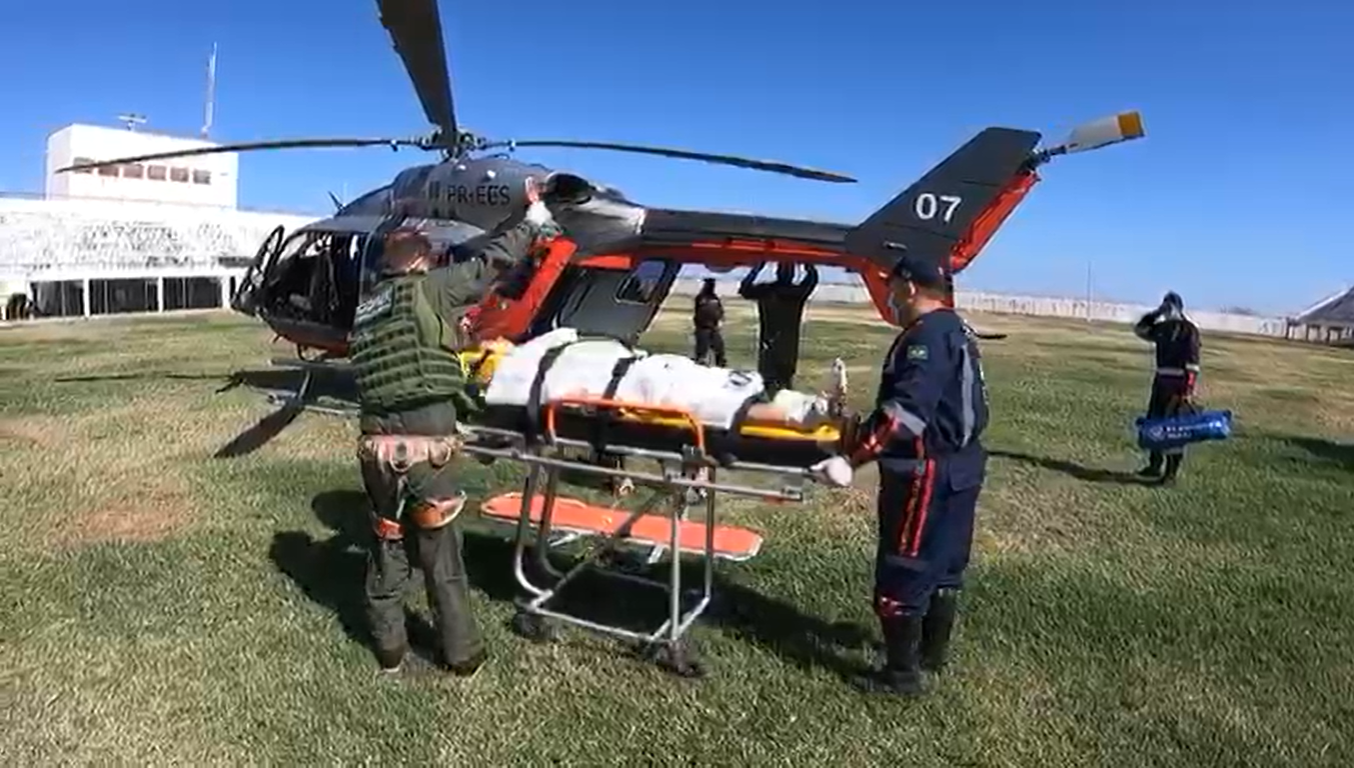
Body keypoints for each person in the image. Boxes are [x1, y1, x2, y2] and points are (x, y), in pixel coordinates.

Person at [349, 187, 554, 676]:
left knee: (388, 539)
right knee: (440, 552)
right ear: (422, 262)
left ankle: (389, 648)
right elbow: (491, 264)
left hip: (375, 445)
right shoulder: (429, 289)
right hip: (426, 444)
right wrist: (533, 218)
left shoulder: (367, 307)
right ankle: (462, 654)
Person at [809, 251, 989, 698]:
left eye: (891, 287)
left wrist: (851, 459)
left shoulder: (924, 337)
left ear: (909, 287)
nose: (888, 296)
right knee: (945, 564)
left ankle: (902, 677)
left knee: (903, 568)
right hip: (962, 464)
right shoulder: (956, 328)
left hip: (925, 472)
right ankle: (931, 654)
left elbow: (905, 416)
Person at [1132, 291, 1201, 485]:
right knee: (1155, 422)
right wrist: (1156, 313)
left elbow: (1193, 363)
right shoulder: (1162, 328)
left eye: (1169, 305)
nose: (1167, 309)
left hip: (1178, 385)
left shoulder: (1189, 330)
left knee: (1174, 428)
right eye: (1165, 305)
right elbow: (1140, 329)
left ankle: (1170, 474)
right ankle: (1154, 465)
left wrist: (1188, 390)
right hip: (1160, 381)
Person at [739, 262, 818, 392]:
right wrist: (807, 263)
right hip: (787, 347)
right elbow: (812, 279)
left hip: (770, 346)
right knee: (783, 383)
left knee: (770, 382)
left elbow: (744, 288)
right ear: (792, 274)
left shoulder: (767, 290)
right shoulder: (796, 293)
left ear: (777, 272)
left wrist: (757, 268)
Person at [692, 278, 727, 366]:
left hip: (714, 327)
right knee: (702, 347)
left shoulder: (715, 297)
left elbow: (720, 310)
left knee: (719, 346)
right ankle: (700, 362)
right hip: (703, 327)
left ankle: (720, 363)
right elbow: (699, 310)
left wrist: (721, 319)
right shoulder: (701, 297)